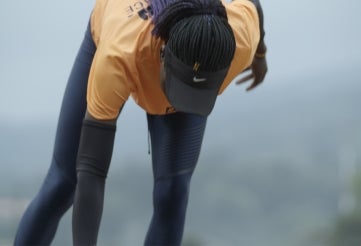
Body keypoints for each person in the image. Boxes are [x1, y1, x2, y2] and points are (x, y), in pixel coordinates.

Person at [14, 0, 267, 244]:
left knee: (173, 193)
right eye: (180, 90)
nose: (179, 104)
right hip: (121, 32)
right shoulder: (118, 56)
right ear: (165, 54)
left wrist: (260, 55)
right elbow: (92, 170)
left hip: (185, 53)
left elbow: (252, 5)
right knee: (64, 183)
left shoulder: (240, 39)